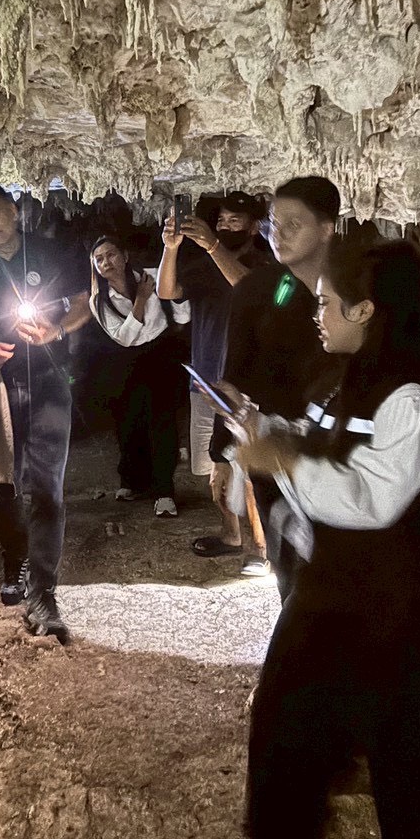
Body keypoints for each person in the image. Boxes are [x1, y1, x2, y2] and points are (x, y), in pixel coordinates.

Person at [223, 238, 420, 839]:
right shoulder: (342, 380)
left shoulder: (412, 400)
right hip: (332, 595)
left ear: (365, 310)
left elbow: (372, 499)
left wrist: (286, 461)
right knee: (282, 747)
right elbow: (314, 444)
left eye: (326, 303)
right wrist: (263, 429)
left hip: (396, 612)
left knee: (403, 769)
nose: (315, 313)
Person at [0, 183, 92, 644]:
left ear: (15, 211)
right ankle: (14, 564)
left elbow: (81, 304)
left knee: (47, 486)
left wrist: (54, 330)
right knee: (5, 485)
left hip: (50, 382)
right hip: (0, 385)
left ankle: (43, 592)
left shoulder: (52, 252)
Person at [213, 175, 341, 592]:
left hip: (338, 448)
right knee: (290, 567)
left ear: (326, 229)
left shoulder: (356, 288)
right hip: (273, 448)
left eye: (292, 224)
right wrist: (223, 454)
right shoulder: (255, 288)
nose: (277, 234)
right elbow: (235, 372)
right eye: (272, 222)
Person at [155, 192, 267, 566]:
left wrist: (215, 245)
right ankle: (232, 534)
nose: (225, 227)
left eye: (235, 221)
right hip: (206, 380)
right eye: (221, 221)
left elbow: (251, 290)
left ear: (254, 226)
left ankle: (261, 548)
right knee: (214, 470)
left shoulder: (265, 262)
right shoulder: (204, 266)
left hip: (247, 386)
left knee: (250, 469)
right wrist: (171, 248)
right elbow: (167, 292)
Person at [88, 235, 190, 516]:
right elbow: (124, 338)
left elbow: (182, 313)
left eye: (110, 254)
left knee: (162, 422)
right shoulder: (100, 301)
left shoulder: (156, 276)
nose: (106, 262)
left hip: (162, 352)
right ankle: (133, 481)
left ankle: (164, 492)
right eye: (99, 259)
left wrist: (175, 299)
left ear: (125, 255)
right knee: (129, 422)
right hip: (126, 361)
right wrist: (142, 300)